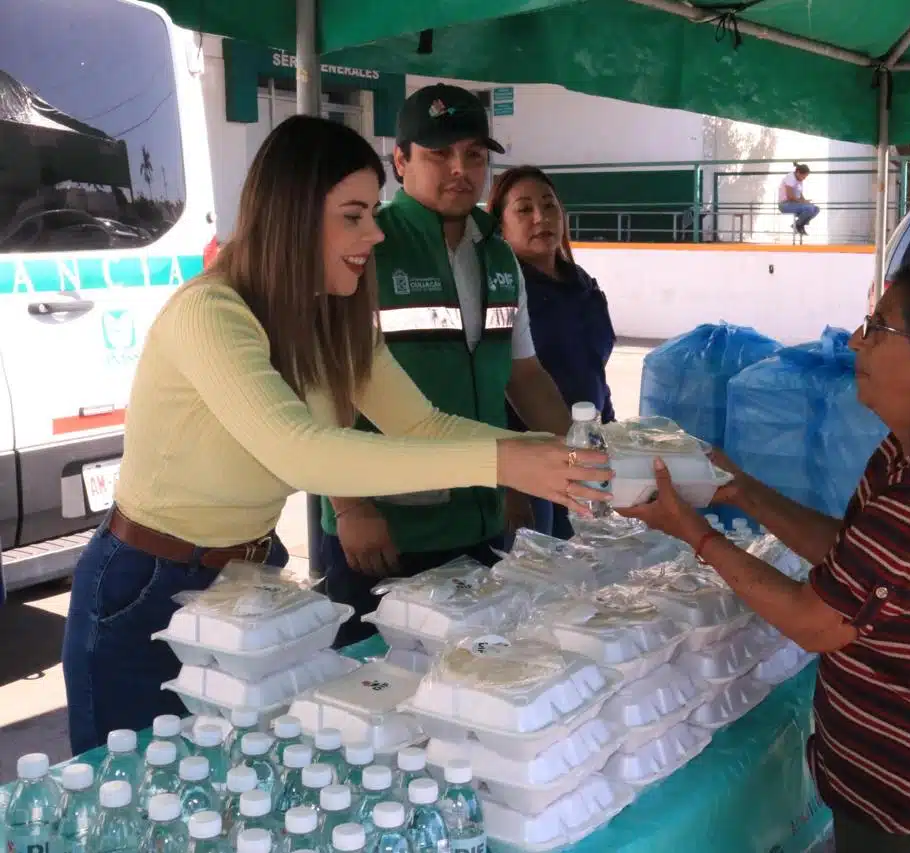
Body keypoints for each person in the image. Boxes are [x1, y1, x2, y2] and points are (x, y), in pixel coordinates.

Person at [60, 115, 609, 755]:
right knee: (133, 792)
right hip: (145, 586)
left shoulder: (332, 318)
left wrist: (535, 454)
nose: (375, 234)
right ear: (292, 218)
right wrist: (503, 463)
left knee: (241, 783)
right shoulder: (209, 314)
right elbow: (306, 453)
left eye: (373, 213)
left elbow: (421, 424)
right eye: (354, 215)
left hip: (250, 577)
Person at [622, 258, 910, 852]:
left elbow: (816, 621)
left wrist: (693, 533)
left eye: (879, 328)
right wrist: (741, 488)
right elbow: (857, 557)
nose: (856, 341)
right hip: (893, 778)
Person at [319, 86, 574, 647]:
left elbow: (523, 375)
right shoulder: (370, 247)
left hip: (482, 522)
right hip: (386, 529)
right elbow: (329, 382)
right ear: (402, 161)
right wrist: (350, 506)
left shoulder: (498, 253)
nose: (460, 170)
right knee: (376, 693)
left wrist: (574, 457)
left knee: (476, 685)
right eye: (439, 155)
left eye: (475, 155)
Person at [487, 165, 617, 540]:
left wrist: (609, 437)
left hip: (584, 454)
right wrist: (509, 486)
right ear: (501, 226)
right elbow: (497, 389)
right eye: (524, 210)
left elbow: (596, 372)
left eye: (549, 206)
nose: (541, 218)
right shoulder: (502, 294)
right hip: (530, 464)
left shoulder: (584, 287)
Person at [778, 162, 819, 236]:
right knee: (809, 208)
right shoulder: (790, 178)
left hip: (794, 203)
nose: (804, 179)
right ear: (798, 172)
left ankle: (798, 224)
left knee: (816, 209)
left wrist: (804, 201)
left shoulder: (799, 180)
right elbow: (790, 196)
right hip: (785, 204)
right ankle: (799, 225)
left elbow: (799, 193)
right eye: (803, 177)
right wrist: (803, 202)